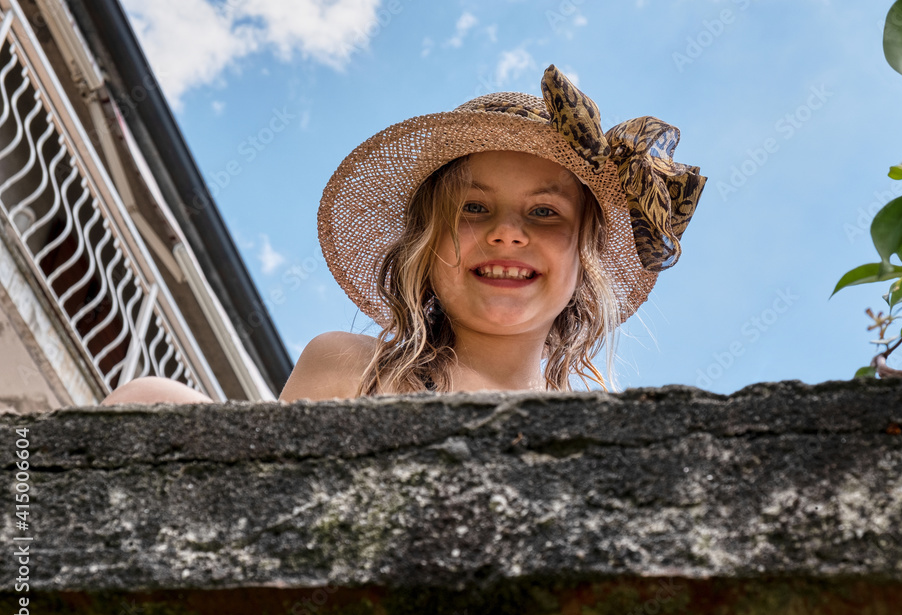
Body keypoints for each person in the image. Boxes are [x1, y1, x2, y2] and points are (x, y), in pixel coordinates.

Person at [101, 64, 705, 406]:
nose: (507, 234)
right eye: (472, 208)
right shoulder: (352, 370)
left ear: (585, 258)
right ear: (424, 245)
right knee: (147, 397)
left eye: (545, 214)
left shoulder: (596, 422)